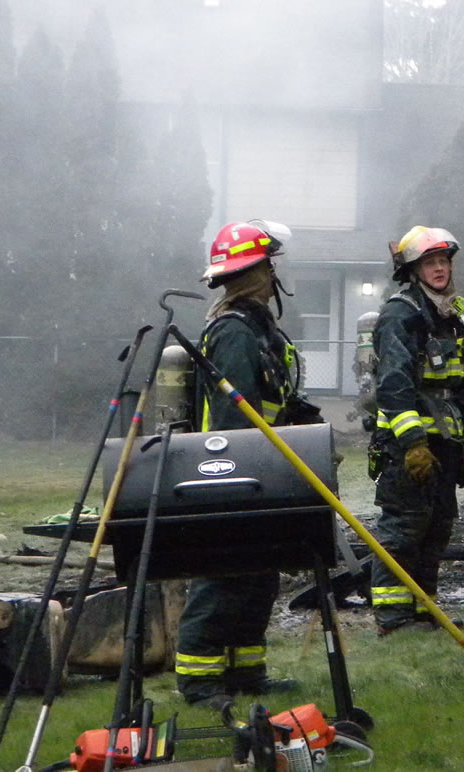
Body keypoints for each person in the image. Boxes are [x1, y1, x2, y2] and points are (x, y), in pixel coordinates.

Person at [174, 219, 317, 709]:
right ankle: (200, 682)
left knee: (258, 576)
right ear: (256, 274)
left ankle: (245, 673)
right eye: (270, 267)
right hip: (232, 466)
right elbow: (239, 410)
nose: (276, 275)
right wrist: (259, 462)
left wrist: (305, 427)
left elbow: (273, 399)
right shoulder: (234, 332)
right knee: (222, 576)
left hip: (260, 464)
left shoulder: (259, 330)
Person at [369, 226, 464, 635]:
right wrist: (412, 443)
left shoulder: (449, 315)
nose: (440, 268)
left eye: (444, 261)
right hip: (406, 445)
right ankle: (393, 618)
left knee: (438, 524)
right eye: (430, 262)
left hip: (445, 442)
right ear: (413, 270)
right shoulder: (400, 315)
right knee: (404, 527)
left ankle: (426, 610)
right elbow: (394, 385)